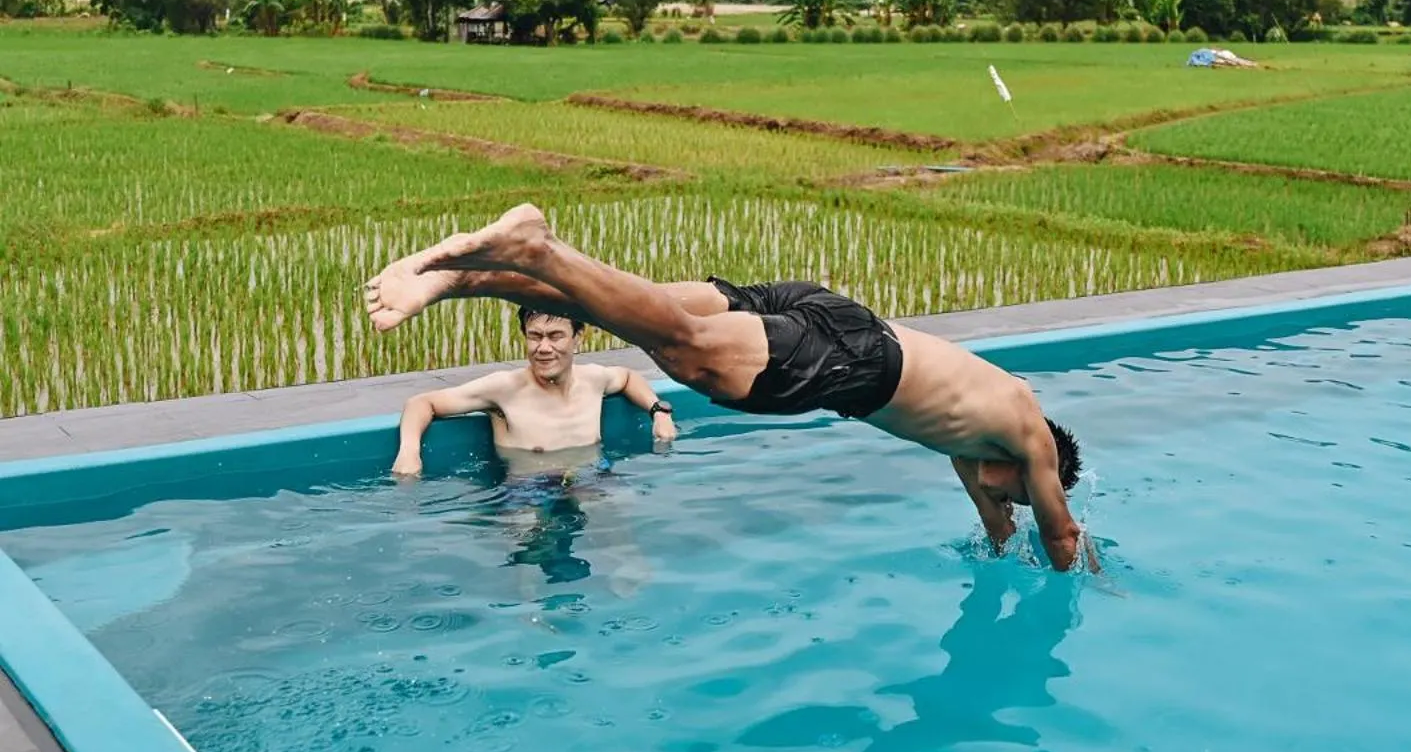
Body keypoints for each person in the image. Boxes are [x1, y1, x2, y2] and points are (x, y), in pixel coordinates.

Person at [364, 204, 1094, 571]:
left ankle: (463, 279)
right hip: (858, 362)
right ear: (1045, 469)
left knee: (655, 311)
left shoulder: (979, 441)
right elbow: (1055, 533)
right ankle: (537, 247)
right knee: (686, 355)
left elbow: (1001, 534)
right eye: (1022, 490)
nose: (1009, 496)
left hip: (836, 316)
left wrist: (1004, 534)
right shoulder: (1028, 437)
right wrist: (1090, 573)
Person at [390, 305, 676, 478]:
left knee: (621, 546)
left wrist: (658, 412)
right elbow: (421, 403)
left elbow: (627, 378)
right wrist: (409, 453)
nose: (543, 348)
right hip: (528, 488)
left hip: (590, 477)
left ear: (578, 337)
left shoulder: (592, 379)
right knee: (527, 566)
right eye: (535, 336)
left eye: (555, 336)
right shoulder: (504, 388)